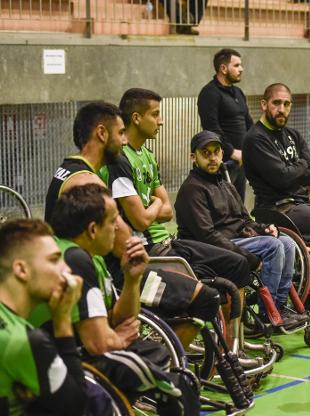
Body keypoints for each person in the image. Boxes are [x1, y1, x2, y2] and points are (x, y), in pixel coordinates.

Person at [43, 101, 219, 348]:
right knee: (206, 299)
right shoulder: (86, 181)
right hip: (109, 276)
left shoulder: (68, 170)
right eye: (120, 133)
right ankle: (165, 370)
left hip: (97, 270)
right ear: (102, 134)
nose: (124, 141)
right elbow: (123, 243)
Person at [48, 184, 200, 415]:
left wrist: (132, 279)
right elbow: (98, 343)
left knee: (154, 354)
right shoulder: (74, 258)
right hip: (62, 362)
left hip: (83, 355)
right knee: (176, 386)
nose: (119, 228)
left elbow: (119, 318)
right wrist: (117, 339)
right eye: (113, 221)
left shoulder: (92, 258)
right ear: (92, 230)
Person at [100, 88, 250, 290]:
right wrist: (155, 204)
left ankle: (239, 322)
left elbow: (167, 211)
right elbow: (141, 220)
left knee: (237, 263)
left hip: (168, 241)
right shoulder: (120, 159)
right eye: (155, 114)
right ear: (136, 118)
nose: (160, 121)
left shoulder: (148, 155)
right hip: (147, 247)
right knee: (210, 290)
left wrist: (150, 207)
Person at [175, 131, 305, 325]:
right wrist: (249, 258)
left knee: (286, 242)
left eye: (216, 152)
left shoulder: (225, 185)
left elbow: (244, 219)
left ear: (222, 154)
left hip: (234, 239)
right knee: (273, 246)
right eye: (205, 153)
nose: (212, 158)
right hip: (209, 249)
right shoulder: (192, 189)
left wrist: (263, 229)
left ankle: (279, 306)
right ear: (193, 157)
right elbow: (206, 236)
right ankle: (266, 314)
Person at [242, 83, 310, 283]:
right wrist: (299, 165)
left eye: (286, 104)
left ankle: (309, 282)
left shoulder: (294, 135)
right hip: (277, 208)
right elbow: (281, 179)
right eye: (276, 103)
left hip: (301, 204)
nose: (281, 109)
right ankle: (308, 293)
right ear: (264, 104)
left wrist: (292, 170)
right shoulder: (256, 138)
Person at [0, 219, 86, 416]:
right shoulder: (22, 341)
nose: (68, 270)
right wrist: (62, 320)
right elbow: (76, 407)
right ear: (22, 270)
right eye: (55, 259)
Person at [197, 48, 253, 200]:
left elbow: (249, 124)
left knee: (238, 204)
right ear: (223, 68)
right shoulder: (210, 93)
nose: (241, 69)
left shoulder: (238, 93)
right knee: (222, 205)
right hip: (222, 162)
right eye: (236, 65)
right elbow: (211, 128)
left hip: (241, 161)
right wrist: (232, 152)